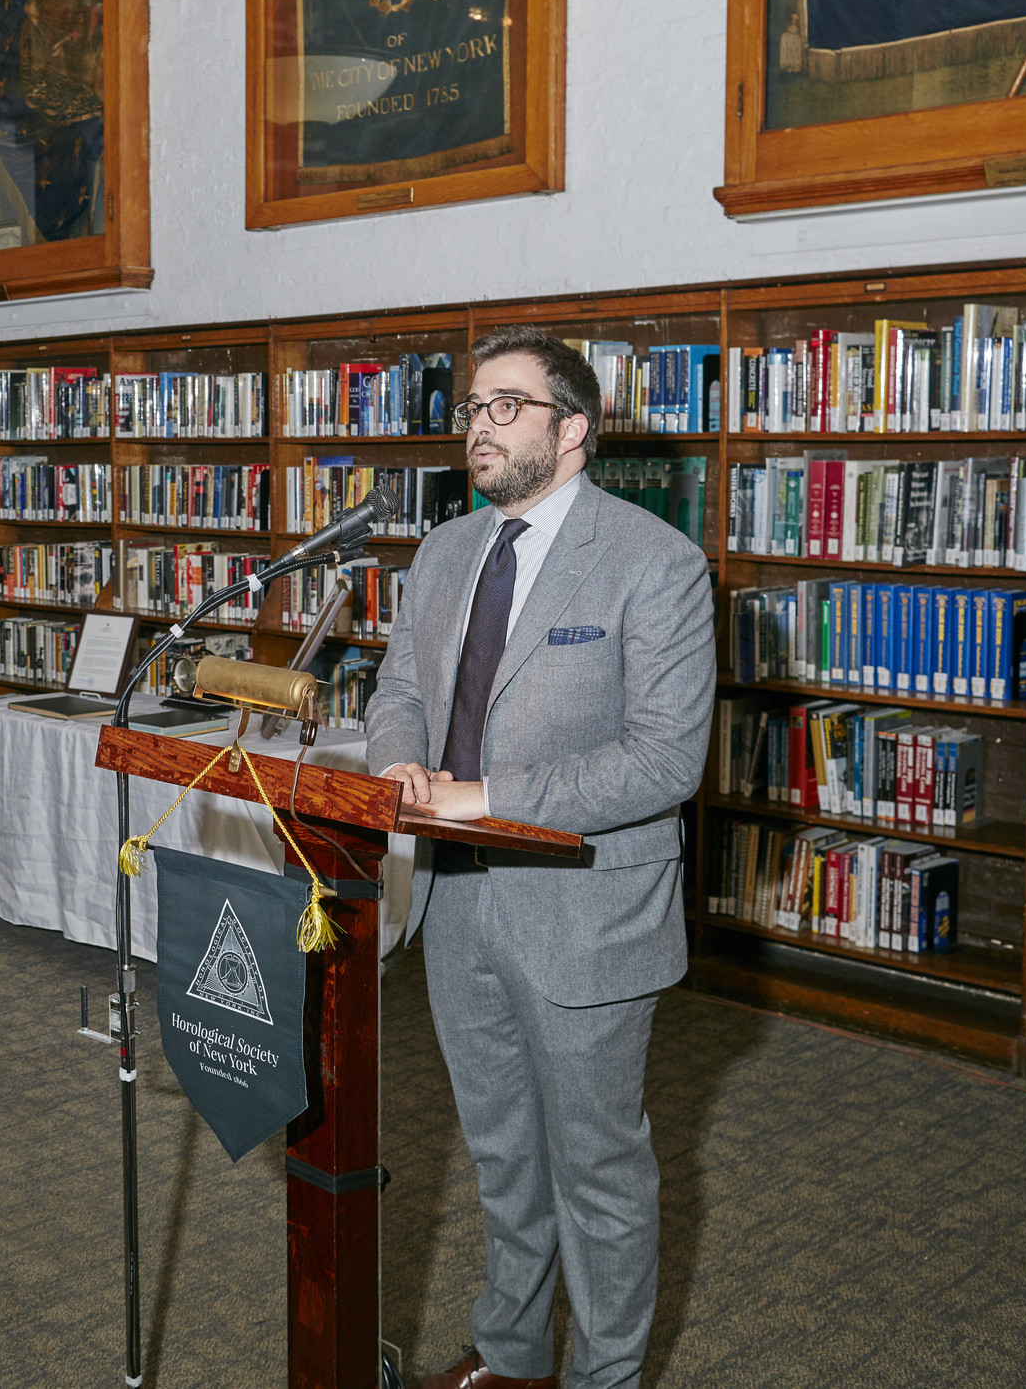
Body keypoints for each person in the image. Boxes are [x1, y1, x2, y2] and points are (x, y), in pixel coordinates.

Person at [365, 326, 713, 1389]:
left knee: (598, 1174)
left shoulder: (656, 563)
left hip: (584, 914)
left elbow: (664, 759)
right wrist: (399, 771)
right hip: (453, 903)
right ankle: (514, 1356)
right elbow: (403, 696)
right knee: (502, 1157)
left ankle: (606, 1379)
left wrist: (487, 794)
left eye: (505, 405)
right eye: (470, 407)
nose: (477, 426)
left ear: (573, 428)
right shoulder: (443, 551)